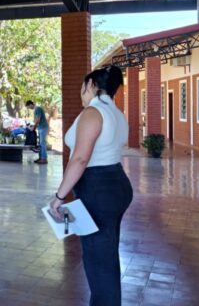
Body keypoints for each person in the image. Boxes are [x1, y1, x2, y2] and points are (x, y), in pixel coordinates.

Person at [48, 65, 132, 306]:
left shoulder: (93, 113)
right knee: (106, 255)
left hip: (98, 189)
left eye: (82, 87)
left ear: (92, 85)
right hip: (116, 183)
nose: (80, 92)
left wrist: (59, 196)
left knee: (98, 261)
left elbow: (80, 159)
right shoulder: (116, 112)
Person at [25, 99, 49, 164]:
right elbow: (36, 121)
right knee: (40, 144)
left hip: (43, 127)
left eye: (28, 107)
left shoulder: (38, 109)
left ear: (31, 104)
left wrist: (34, 128)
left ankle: (44, 159)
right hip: (40, 128)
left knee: (42, 143)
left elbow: (38, 120)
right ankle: (41, 158)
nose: (29, 108)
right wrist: (32, 126)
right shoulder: (36, 110)